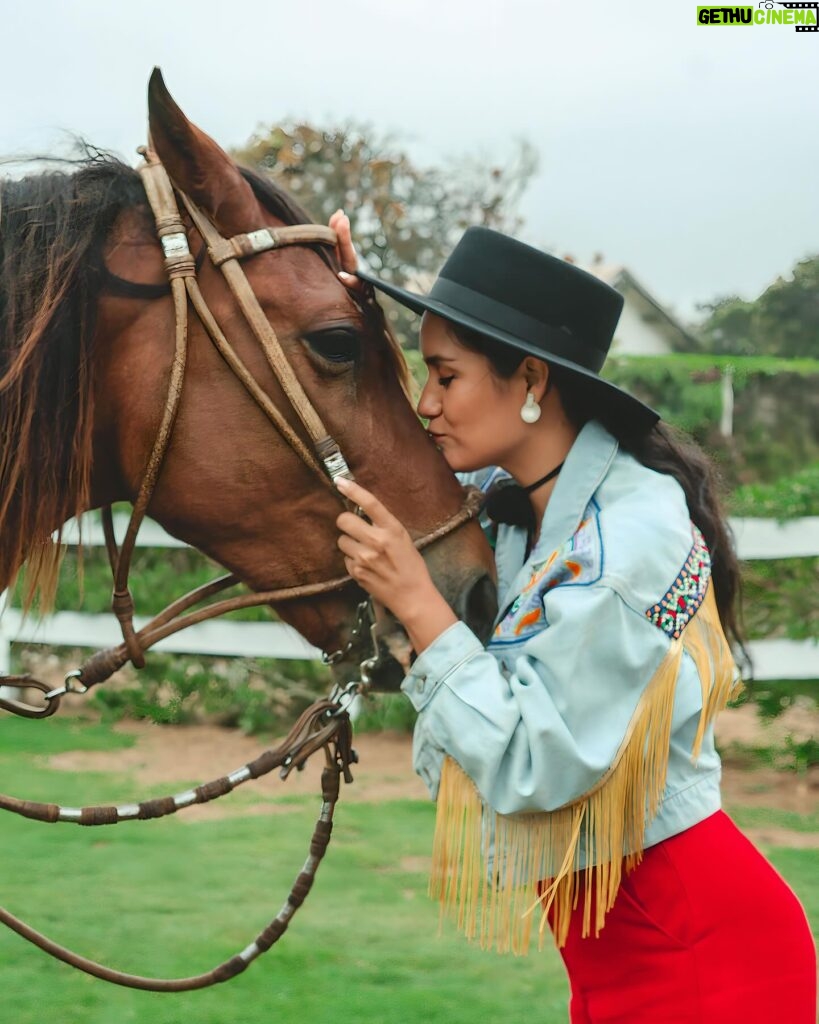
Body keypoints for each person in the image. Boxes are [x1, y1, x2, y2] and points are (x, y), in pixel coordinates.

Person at [329, 212, 817, 1023]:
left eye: (444, 377)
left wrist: (417, 600)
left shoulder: (627, 536)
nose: (424, 402)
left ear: (528, 380)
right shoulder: (512, 516)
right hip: (610, 961)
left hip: (703, 963)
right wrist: (346, 323)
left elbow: (533, 762)